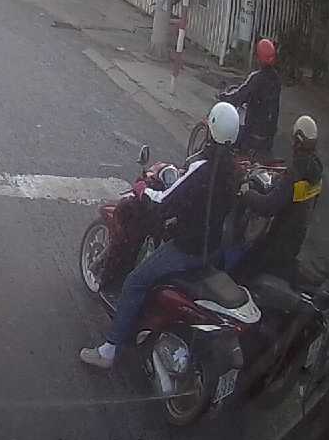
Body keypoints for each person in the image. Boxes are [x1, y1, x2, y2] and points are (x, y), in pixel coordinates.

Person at [80, 102, 241, 369]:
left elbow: (164, 203)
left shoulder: (204, 166)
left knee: (134, 282)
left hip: (188, 247)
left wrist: (143, 190)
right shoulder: (233, 169)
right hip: (213, 246)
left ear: (211, 129)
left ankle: (109, 350)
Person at [230, 115, 323, 286]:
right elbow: (294, 197)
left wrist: (247, 193)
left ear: (297, 141)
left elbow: (268, 206)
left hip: (277, 242)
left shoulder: (295, 173)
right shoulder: (315, 172)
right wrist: (279, 180)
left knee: (240, 270)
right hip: (294, 240)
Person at [220, 38, 281, 159]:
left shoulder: (256, 78)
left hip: (252, 134)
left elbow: (239, 96)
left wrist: (224, 97)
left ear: (259, 57)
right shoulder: (277, 80)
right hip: (269, 137)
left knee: (228, 142)